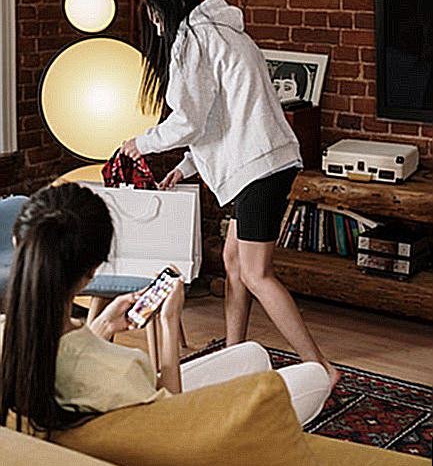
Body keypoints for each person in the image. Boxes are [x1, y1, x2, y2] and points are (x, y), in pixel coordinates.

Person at [120, 0, 338, 387]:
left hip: (258, 169)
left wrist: (142, 143)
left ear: (164, 13)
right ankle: (234, 354)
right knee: (233, 262)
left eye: (155, 20)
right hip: (264, 162)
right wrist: (185, 168)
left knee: (256, 273)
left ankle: (321, 367)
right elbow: (221, 118)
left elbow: (189, 120)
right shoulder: (225, 34)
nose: (157, 30)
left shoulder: (192, 41)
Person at [0, 183, 331, 436]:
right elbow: (171, 425)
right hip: (179, 445)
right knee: (314, 376)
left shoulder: (12, 340)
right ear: (94, 269)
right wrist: (170, 324)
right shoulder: (122, 369)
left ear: (17, 243)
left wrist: (103, 325)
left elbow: (66, 358)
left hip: (108, 426)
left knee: (252, 354)